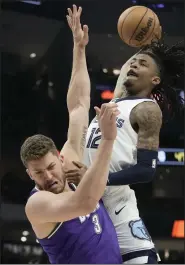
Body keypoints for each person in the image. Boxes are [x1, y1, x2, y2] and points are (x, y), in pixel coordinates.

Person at [65, 36, 184, 263]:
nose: (134, 65)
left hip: (115, 203)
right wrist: (146, 43)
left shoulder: (147, 109)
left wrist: (94, 179)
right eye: (133, 62)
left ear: (155, 79)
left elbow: (146, 170)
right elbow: (123, 74)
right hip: (85, 199)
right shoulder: (115, 102)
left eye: (143, 64)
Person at [21, 5, 122, 264]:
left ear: (59, 157)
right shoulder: (38, 205)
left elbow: (78, 106)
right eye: (38, 173)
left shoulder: (70, 158)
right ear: (29, 175)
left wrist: (79, 48)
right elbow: (86, 202)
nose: (49, 176)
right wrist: (108, 139)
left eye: (50, 167)